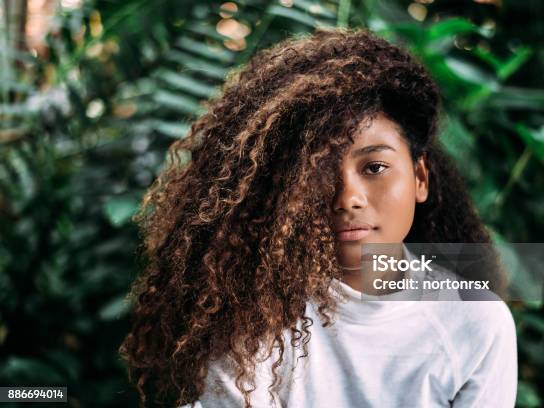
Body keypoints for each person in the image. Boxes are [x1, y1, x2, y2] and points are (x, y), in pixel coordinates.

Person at [119, 28, 517, 408]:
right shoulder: (250, 308)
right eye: (318, 173)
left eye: (374, 167)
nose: (348, 198)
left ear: (419, 178)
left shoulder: (475, 322)